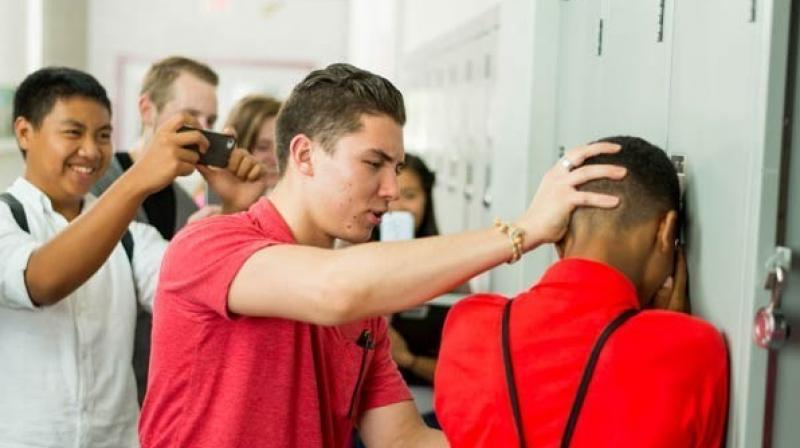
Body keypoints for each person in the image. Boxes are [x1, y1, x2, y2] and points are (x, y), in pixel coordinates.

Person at [138, 63, 627, 448]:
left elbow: (403, 439)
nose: (391, 190)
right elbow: (334, 289)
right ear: (305, 155)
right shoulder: (209, 246)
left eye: (395, 167)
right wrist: (523, 231)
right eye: (373, 164)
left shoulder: (363, 308)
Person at [0, 67, 264, 446]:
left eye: (103, 135)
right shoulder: (7, 220)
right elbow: (40, 281)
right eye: (73, 132)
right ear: (25, 132)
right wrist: (141, 177)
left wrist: (235, 210)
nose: (91, 151)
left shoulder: (132, 239)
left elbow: (199, 293)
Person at [434, 136, 729, 448]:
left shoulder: (467, 326)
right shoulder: (695, 348)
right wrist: (666, 334)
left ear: (557, 237)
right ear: (666, 231)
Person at [92, 56, 266, 403]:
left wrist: (233, 209)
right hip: (102, 391)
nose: (203, 130)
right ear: (147, 109)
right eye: (190, 117)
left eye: (211, 120)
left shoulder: (188, 204)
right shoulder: (96, 188)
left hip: (160, 393)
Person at [193, 94, 282, 206]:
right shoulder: (203, 208)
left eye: (281, 146)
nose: (276, 158)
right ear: (238, 146)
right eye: (263, 147)